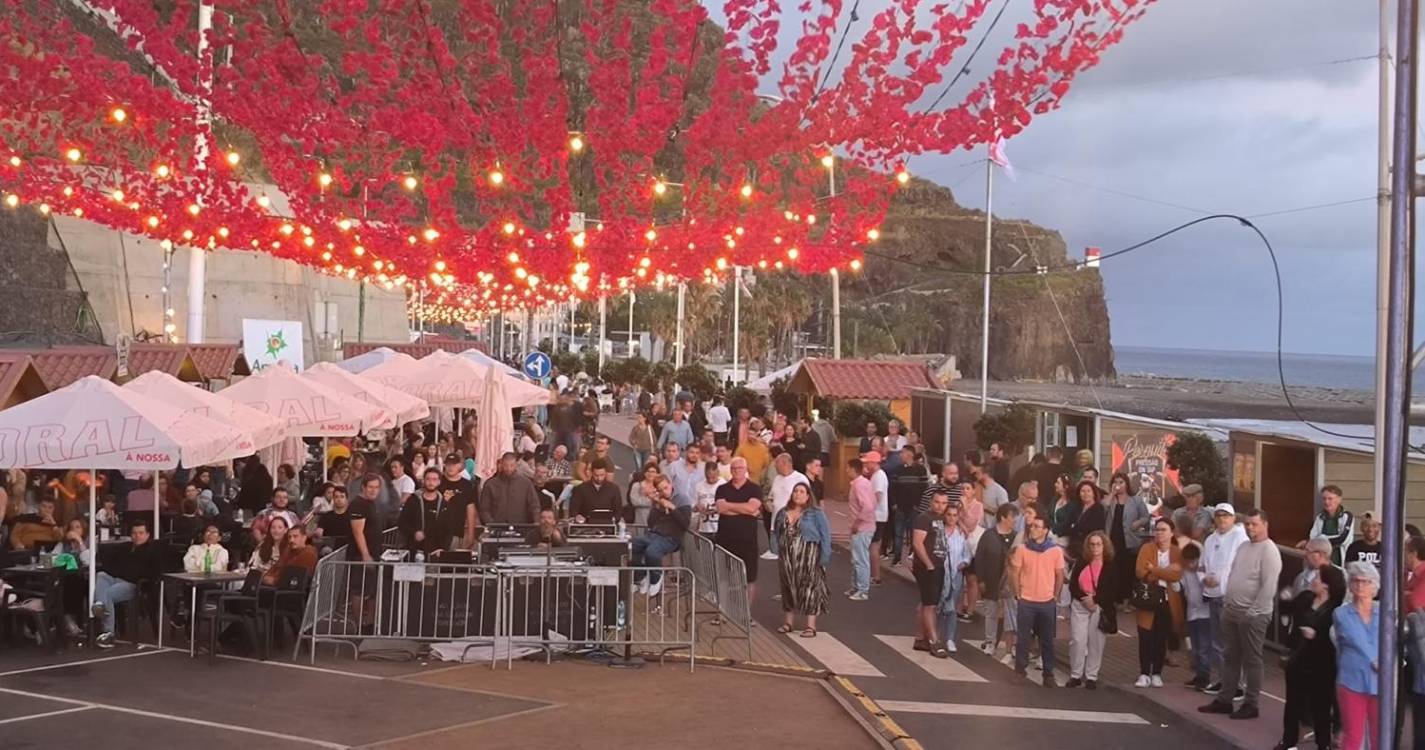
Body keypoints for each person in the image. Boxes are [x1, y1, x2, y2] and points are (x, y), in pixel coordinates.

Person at [1199, 508, 1282, 719]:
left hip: (1253, 615)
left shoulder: (1269, 550)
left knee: (1252, 659)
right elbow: (1234, 573)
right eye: (1247, 524)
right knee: (1231, 656)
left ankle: (1251, 703)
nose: (1250, 528)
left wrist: (1252, 613)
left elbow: (1268, 587)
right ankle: (1225, 699)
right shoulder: (1244, 546)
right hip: (1231, 609)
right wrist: (1228, 603)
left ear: (1265, 524)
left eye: (1254, 524)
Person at [1275, 562, 1345, 750]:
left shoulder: (1336, 610)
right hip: (1298, 659)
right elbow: (1287, 610)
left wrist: (1316, 635)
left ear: (1327, 585)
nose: (1313, 580)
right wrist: (1284, 598)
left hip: (1322, 665)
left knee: (1320, 707)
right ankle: (1289, 741)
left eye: (1318, 578)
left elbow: (1337, 639)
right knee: (1292, 704)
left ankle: (1323, 744)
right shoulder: (1306, 598)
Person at [770, 482, 831, 637]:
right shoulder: (783, 512)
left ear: (808, 496)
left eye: (802, 491)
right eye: (795, 491)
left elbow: (825, 536)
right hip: (787, 558)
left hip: (809, 556)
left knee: (810, 588)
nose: (798, 494)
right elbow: (776, 532)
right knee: (788, 588)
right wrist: (775, 548)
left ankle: (810, 626)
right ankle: (788, 623)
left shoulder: (816, 513)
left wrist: (824, 557)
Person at [1198, 502, 1248, 692]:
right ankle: (1222, 678)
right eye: (1219, 516)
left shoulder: (1239, 537)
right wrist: (1204, 579)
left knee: (1232, 642)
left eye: (1226, 516)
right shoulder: (1210, 539)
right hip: (1212, 595)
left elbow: (1241, 566)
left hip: (1230, 596)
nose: (1222, 519)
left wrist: (1221, 579)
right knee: (1216, 642)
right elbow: (1202, 566)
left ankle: (1237, 684)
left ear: (1233, 518)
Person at [1011, 513, 1065, 686]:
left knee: (1047, 639)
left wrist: (1055, 596)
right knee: (1023, 637)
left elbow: (1059, 575)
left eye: (1036, 526)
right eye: (1031, 526)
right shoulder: (1022, 548)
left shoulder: (1055, 550)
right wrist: (1018, 594)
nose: (1032, 529)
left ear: (1046, 530)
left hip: (1046, 601)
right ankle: (1020, 669)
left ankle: (1048, 673)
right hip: (1026, 599)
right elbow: (1015, 572)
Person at [1332, 562, 1381, 750]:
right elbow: (1356, 638)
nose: (1360, 586)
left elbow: (1392, 642)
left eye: (1366, 582)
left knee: (1380, 735)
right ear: (1350, 585)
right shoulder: (1341, 613)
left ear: (1374, 585)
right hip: (1352, 681)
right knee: (1353, 735)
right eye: (1356, 581)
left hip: (1380, 683)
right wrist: (1375, 660)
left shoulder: (1385, 612)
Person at [92, 520, 163, 648]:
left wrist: (135, 574)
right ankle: (99, 604)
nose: (137, 536)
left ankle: (108, 633)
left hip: (133, 585)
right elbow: (110, 565)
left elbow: (155, 573)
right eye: (134, 533)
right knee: (101, 575)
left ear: (147, 535)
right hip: (115, 579)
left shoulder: (152, 551)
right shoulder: (125, 547)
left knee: (106, 594)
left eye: (141, 533)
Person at [1132, 517, 1183, 688]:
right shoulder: (1147, 548)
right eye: (1157, 529)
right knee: (1145, 636)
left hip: (1168, 600)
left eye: (1163, 530)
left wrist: (1153, 569)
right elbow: (1140, 572)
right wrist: (1165, 572)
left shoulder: (1176, 552)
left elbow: (1177, 575)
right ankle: (1144, 672)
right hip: (1148, 598)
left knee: (1161, 637)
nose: (1159, 533)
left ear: (1171, 533)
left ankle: (1157, 673)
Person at [1067, 530, 1117, 689]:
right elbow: (1073, 584)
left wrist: (1095, 600)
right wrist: (1084, 598)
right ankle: (1075, 674)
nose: (1095, 547)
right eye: (1092, 544)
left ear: (1104, 546)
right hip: (1080, 605)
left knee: (1096, 643)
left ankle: (1091, 676)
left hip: (1099, 607)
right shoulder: (1081, 562)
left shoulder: (1110, 565)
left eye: (1098, 544)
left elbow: (1113, 590)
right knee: (1078, 640)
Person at [631, 477, 692, 596]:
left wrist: (672, 508)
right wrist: (656, 505)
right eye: (661, 490)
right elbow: (651, 523)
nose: (665, 492)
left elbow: (685, 523)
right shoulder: (659, 500)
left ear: (670, 484)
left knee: (652, 551)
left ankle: (656, 578)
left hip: (672, 537)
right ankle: (641, 576)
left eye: (666, 487)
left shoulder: (682, 499)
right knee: (632, 544)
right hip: (654, 534)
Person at [715, 457, 763, 605]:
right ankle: (722, 610)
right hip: (725, 539)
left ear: (745, 469)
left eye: (740, 468)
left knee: (749, 578)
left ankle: (746, 614)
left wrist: (731, 507)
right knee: (723, 577)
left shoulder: (755, 489)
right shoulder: (722, 489)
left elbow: (752, 508)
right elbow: (721, 508)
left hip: (748, 541)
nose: (736, 471)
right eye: (734, 468)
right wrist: (745, 510)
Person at [910, 488, 952, 656]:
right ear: (931, 502)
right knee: (930, 605)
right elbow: (917, 543)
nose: (940, 506)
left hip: (938, 565)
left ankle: (920, 638)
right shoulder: (924, 518)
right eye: (937, 502)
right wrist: (928, 564)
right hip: (928, 566)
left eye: (943, 503)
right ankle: (934, 641)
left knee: (926, 602)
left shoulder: (942, 519)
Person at [975, 503, 1021, 658]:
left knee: (1011, 615)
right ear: (1003, 517)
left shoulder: (1017, 536)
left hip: (1010, 583)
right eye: (1012, 517)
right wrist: (980, 579)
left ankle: (1012, 645)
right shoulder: (988, 535)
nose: (1015, 520)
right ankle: (990, 642)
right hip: (991, 580)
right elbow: (979, 558)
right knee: (991, 612)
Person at [1103, 472, 1151, 608]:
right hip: (1112, 539)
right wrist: (1112, 494)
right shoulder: (1110, 499)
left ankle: (1127, 600)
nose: (1118, 485)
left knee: (1128, 570)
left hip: (1130, 540)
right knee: (1113, 570)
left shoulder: (1136, 500)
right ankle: (1115, 599)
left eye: (1121, 482)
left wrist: (1138, 523)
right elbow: (1103, 509)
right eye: (1116, 482)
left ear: (1127, 484)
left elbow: (1146, 517)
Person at [936, 502, 974, 653]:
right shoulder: (939, 532)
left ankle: (950, 638)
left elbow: (967, 554)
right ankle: (936, 636)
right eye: (949, 515)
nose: (951, 518)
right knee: (938, 607)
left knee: (951, 608)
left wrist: (964, 563)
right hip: (940, 575)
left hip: (955, 576)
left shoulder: (961, 534)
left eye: (954, 515)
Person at [763, 453, 810, 561]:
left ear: (785, 463)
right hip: (775, 524)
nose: (774, 467)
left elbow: (806, 501)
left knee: (791, 557)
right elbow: (771, 496)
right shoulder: (777, 478)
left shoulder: (800, 478)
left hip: (792, 525)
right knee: (776, 558)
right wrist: (768, 503)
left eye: (777, 464)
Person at [889, 446, 929, 566]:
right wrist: (895, 503)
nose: (900, 455)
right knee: (898, 533)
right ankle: (897, 557)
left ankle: (913, 556)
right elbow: (893, 488)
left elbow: (924, 489)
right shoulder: (898, 470)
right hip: (900, 507)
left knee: (914, 533)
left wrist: (918, 505)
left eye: (902, 453)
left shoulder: (921, 470)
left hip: (914, 508)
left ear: (909, 454)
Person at [478, 453, 541, 526]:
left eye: (511, 465)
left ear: (516, 465)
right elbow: (484, 509)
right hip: (496, 529)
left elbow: (534, 506)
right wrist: (491, 523)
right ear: (501, 464)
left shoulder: (526, 483)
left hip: (521, 527)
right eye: (506, 465)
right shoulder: (490, 484)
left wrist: (536, 523)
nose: (508, 469)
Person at [846, 458, 877, 602]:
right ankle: (856, 586)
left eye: (847, 468)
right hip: (863, 527)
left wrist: (857, 523)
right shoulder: (863, 483)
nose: (846, 471)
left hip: (862, 528)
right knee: (856, 557)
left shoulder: (859, 485)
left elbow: (868, 506)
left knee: (860, 558)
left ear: (853, 469)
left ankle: (863, 589)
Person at [1304, 484, 1354, 567]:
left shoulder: (1347, 516)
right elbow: (1312, 539)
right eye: (1324, 499)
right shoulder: (1320, 517)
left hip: (1339, 561)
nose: (1326, 502)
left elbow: (1342, 539)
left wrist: (1322, 538)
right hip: (1320, 561)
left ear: (1339, 499)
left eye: (1330, 499)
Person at [437, 453, 480, 548]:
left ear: (460, 466)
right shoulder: (437, 482)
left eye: (454, 464)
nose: (451, 467)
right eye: (448, 464)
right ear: (444, 465)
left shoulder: (467, 486)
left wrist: (471, 534)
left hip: (456, 532)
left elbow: (471, 510)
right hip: (436, 531)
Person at [569, 459, 623, 523]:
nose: (599, 478)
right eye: (596, 475)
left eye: (602, 475)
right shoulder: (581, 488)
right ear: (591, 473)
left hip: (608, 525)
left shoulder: (614, 489)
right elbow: (573, 510)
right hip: (586, 526)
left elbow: (618, 511)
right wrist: (578, 517)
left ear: (605, 473)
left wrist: (613, 519)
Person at [864, 451, 889, 585]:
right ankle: (874, 575)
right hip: (878, 515)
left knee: (873, 546)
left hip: (877, 515)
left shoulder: (879, 476)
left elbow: (878, 496)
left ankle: (875, 576)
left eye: (868, 462)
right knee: (874, 546)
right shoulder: (876, 475)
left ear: (874, 462)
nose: (866, 464)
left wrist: (867, 507)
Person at [1067, 480, 1107, 559]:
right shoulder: (1077, 508)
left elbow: (1095, 529)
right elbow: (1069, 524)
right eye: (1083, 491)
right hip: (1074, 546)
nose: (1085, 494)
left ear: (1093, 493)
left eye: (1088, 491)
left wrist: (1075, 527)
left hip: (1089, 548)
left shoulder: (1098, 509)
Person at [1343, 512, 1382, 579]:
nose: (1370, 529)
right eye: (1366, 526)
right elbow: (1348, 569)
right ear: (1361, 528)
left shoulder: (1384, 548)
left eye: (1374, 526)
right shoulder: (1354, 547)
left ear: (1380, 528)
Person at [693, 461, 724, 535]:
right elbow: (693, 506)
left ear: (718, 472)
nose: (710, 480)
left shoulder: (723, 485)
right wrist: (697, 507)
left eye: (713, 477)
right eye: (708, 477)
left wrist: (717, 509)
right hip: (704, 528)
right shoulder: (699, 485)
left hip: (719, 528)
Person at [628, 462, 660, 526]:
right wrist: (652, 499)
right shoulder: (636, 485)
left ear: (657, 473)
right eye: (648, 471)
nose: (650, 474)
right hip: (640, 519)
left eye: (653, 472)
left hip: (656, 520)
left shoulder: (659, 486)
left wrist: (647, 497)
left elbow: (660, 503)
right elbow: (635, 502)